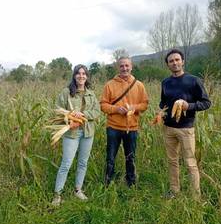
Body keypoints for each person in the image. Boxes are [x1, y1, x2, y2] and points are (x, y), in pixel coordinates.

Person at [159, 49, 211, 199]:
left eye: (177, 60)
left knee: (190, 162)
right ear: (168, 65)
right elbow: (163, 102)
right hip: (168, 128)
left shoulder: (194, 81)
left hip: (186, 128)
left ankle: (195, 197)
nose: (174, 63)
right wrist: (161, 112)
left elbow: (206, 103)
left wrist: (188, 106)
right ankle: (174, 190)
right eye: (171, 61)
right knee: (172, 161)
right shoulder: (166, 82)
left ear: (183, 61)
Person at [52, 64, 100, 206]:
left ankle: (78, 190)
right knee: (66, 163)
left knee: (83, 163)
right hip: (72, 133)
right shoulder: (66, 92)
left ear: (87, 76)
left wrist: (83, 114)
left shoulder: (91, 93)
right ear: (74, 76)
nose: (81, 76)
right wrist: (71, 116)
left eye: (84, 73)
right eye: (78, 73)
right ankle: (57, 194)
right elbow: (57, 110)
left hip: (88, 132)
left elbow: (97, 111)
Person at [100, 57, 149, 187]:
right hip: (113, 128)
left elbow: (144, 105)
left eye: (127, 66)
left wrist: (134, 108)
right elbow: (103, 106)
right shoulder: (109, 85)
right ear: (118, 68)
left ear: (131, 67)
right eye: (122, 66)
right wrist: (116, 109)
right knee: (110, 157)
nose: (124, 68)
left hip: (131, 128)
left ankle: (131, 183)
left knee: (130, 157)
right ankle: (107, 182)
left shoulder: (139, 85)